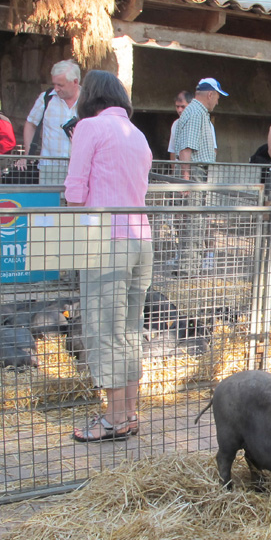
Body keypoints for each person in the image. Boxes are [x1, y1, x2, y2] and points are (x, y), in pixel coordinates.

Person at [64, 70, 153, 442]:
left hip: (105, 239)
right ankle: (129, 414)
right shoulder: (139, 134)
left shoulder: (88, 128)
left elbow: (74, 192)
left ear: (90, 97)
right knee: (130, 329)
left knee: (104, 330)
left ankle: (114, 420)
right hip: (142, 237)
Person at [172, 77, 226, 275]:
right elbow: (187, 147)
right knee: (193, 220)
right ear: (210, 94)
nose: (218, 101)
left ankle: (188, 266)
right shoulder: (196, 113)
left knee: (194, 219)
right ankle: (188, 268)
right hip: (194, 171)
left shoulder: (196, 111)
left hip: (196, 171)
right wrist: (186, 176)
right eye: (217, 97)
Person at [19, 59, 80, 185]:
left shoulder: (89, 101)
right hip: (50, 168)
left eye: (60, 85)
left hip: (79, 168)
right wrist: (27, 154)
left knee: (77, 204)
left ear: (75, 82)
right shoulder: (46, 98)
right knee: (51, 204)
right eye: (54, 84)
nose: (56, 89)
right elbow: (31, 123)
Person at [166, 89, 193, 160]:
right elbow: (172, 150)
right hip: (179, 167)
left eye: (183, 107)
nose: (179, 110)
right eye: (177, 107)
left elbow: (213, 149)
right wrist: (173, 170)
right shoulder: (175, 124)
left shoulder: (203, 122)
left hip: (196, 167)